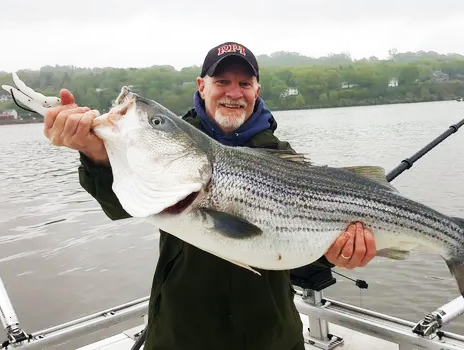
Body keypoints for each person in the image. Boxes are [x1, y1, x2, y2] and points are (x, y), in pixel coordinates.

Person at [44, 42, 376, 350]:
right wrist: (96, 155)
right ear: (202, 86)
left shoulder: (281, 157)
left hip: (270, 335)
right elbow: (121, 204)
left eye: (245, 83)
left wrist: (336, 254)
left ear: (257, 91)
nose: (234, 92)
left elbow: (300, 242)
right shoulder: (167, 146)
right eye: (222, 81)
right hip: (182, 333)